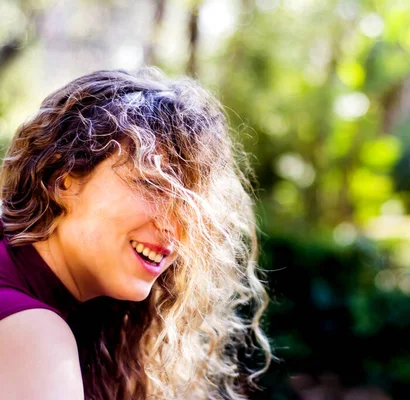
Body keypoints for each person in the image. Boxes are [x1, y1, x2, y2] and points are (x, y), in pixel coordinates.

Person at [0, 68, 272, 399]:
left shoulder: (73, 312)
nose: (177, 227)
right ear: (63, 178)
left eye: (191, 206)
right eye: (153, 185)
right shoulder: (31, 334)